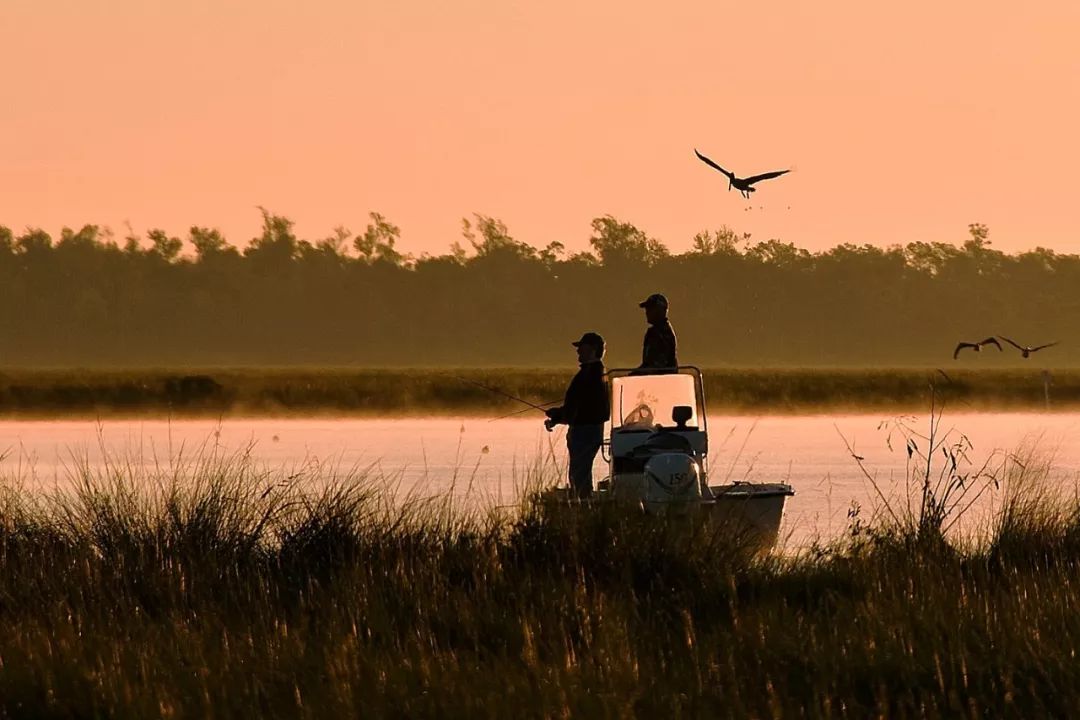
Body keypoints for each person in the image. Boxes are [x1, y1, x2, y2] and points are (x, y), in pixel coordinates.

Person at [544, 332, 610, 498]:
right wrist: (558, 416)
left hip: (585, 431)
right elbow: (577, 406)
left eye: (582, 347)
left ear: (593, 349)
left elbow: (581, 407)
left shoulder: (591, 374)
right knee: (579, 471)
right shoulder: (594, 372)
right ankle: (582, 499)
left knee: (579, 472)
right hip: (585, 429)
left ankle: (582, 502)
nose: (578, 351)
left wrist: (558, 415)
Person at [638, 293, 678, 370]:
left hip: (661, 380)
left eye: (650, 309)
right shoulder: (657, 331)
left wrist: (636, 374)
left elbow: (658, 366)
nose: (647, 312)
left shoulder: (662, 333)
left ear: (659, 310)